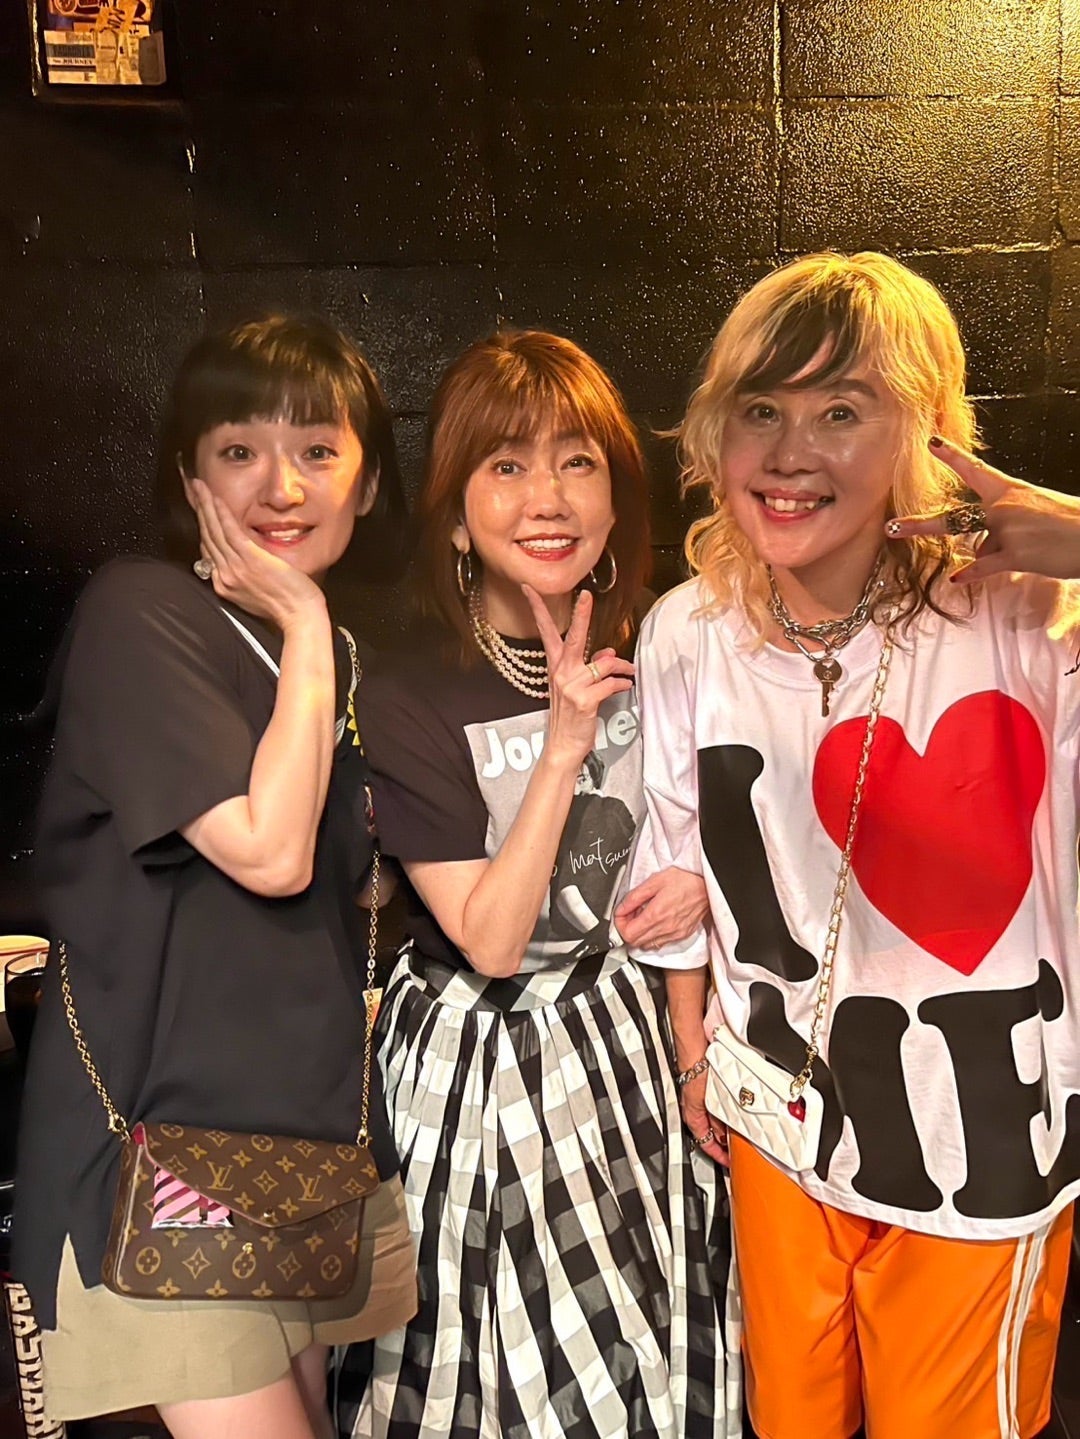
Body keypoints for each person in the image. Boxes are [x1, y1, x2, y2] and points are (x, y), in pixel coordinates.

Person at [629, 249, 1080, 1439]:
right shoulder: (687, 630)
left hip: (979, 1133)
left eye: (842, 411)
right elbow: (676, 843)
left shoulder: (1028, 615)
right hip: (781, 1119)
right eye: (760, 411)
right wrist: (694, 1053)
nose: (790, 453)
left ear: (922, 435)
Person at [14, 315, 417, 1439]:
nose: (281, 486)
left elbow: (358, 890)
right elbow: (270, 852)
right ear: (190, 478)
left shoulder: (328, 659)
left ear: (366, 483)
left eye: (318, 451)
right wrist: (308, 619)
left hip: (292, 1148)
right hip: (159, 1156)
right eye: (240, 450)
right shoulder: (142, 611)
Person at [345, 331, 741, 1438]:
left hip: (628, 1028)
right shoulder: (411, 688)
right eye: (506, 465)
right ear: (456, 516)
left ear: (616, 499)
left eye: (577, 462)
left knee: (651, 1329)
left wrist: (704, 879)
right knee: (501, 1367)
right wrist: (564, 744)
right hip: (484, 1055)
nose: (548, 498)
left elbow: (737, 814)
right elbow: (490, 937)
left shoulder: (666, 638)